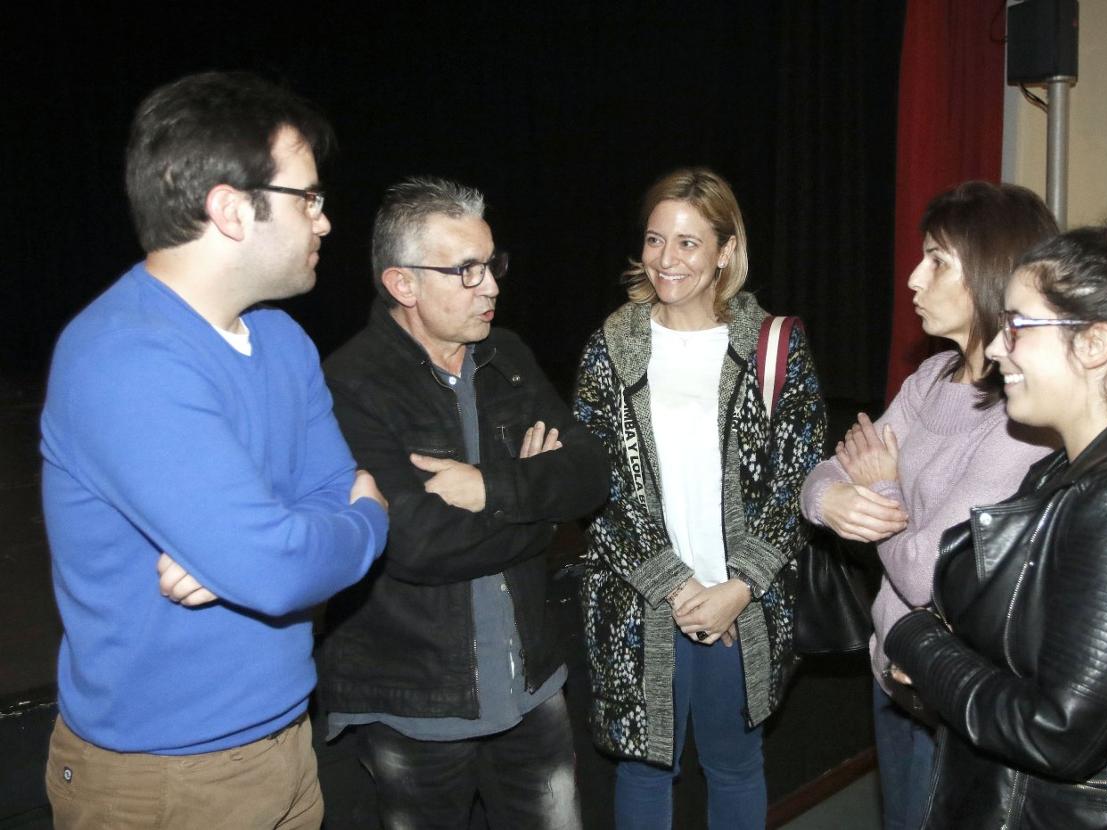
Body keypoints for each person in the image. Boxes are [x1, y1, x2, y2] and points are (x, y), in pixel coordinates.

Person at [39, 71, 390, 829]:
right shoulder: (125, 358)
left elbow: (326, 497)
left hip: (286, 744)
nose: (324, 221)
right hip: (164, 781)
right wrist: (347, 523)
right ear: (232, 209)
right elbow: (279, 564)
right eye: (309, 198)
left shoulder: (283, 341)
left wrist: (274, 535)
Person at [885, 204, 1107, 828]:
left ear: (1096, 343)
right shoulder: (1067, 470)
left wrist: (914, 641)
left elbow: (1058, 731)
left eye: (1019, 326)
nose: (997, 347)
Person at [318, 176, 608, 830]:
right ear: (404, 284)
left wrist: (492, 487)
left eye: (492, 263)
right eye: (467, 270)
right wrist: (543, 510)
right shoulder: (350, 383)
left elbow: (592, 473)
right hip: (415, 698)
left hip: (531, 682)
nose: (493, 286)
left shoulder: (507, 356)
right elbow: (416, 542)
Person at [573, 167, 827, 829]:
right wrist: (677, 587)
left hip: (743, 601)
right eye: (656, 240)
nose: (666, 259)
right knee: (644, 769)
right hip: (639, 600)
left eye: (688, 243)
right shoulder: (612, 344)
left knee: (736, 764)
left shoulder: (775, 345)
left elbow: (795, 479)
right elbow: (600, 486)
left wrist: (739, 586)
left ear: (725, 250)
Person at [800, 180, 1057, 830]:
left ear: (993, 274)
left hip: (961, 699)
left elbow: (928, 571)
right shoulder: (931, 378)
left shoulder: (1023, 415)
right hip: (895, 672)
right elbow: (821, 474)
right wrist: (833, 500)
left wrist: (882, 487)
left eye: (937, 260)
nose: (914, 278)